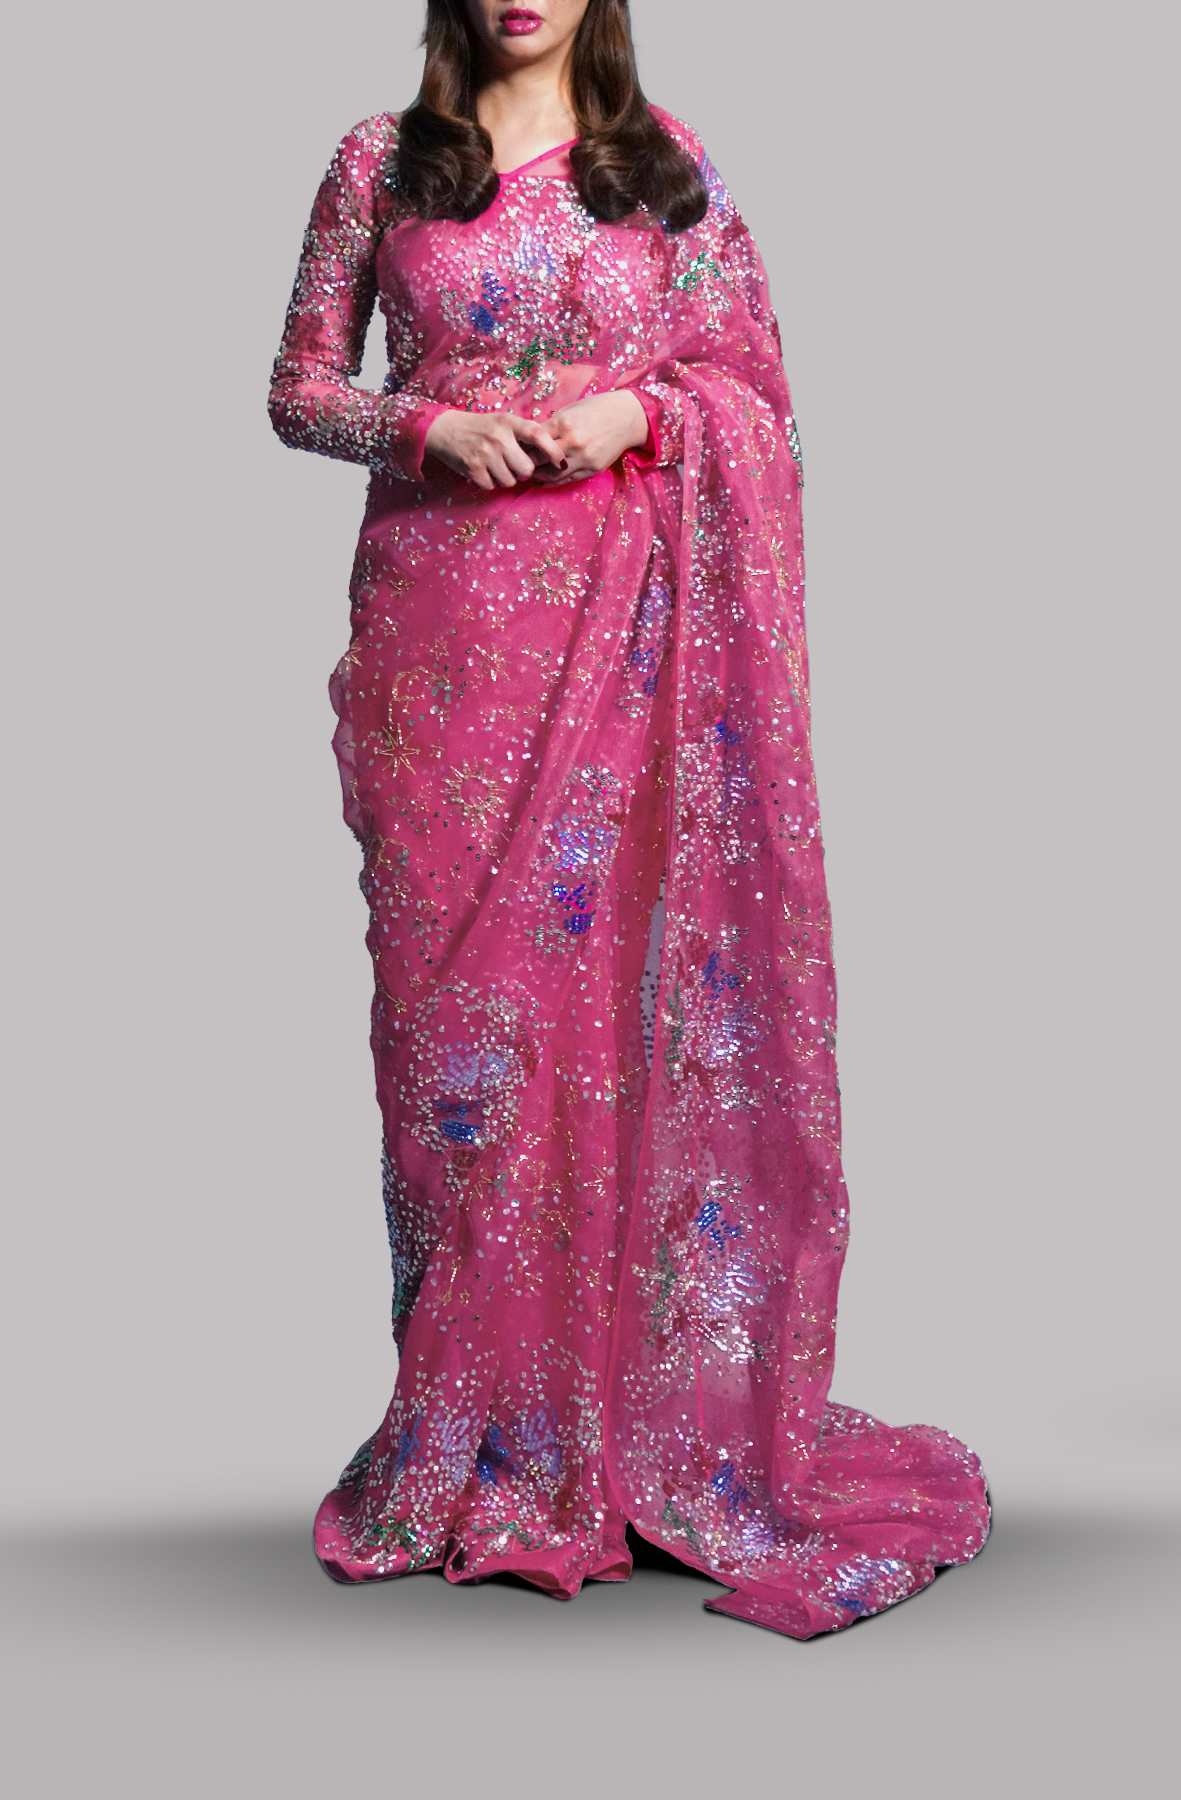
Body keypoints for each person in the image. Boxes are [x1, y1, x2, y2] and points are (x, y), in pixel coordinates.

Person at [269, 0, 989, 1639]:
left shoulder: (663, 173)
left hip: (629, 638)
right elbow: (297, 387)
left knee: (604, 1021)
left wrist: (644, 416)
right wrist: (425, 423)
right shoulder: (380, 161)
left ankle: (599, 1443)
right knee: (452, 1050)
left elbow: (758, 398)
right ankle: (472, 1437)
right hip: (439, 647)